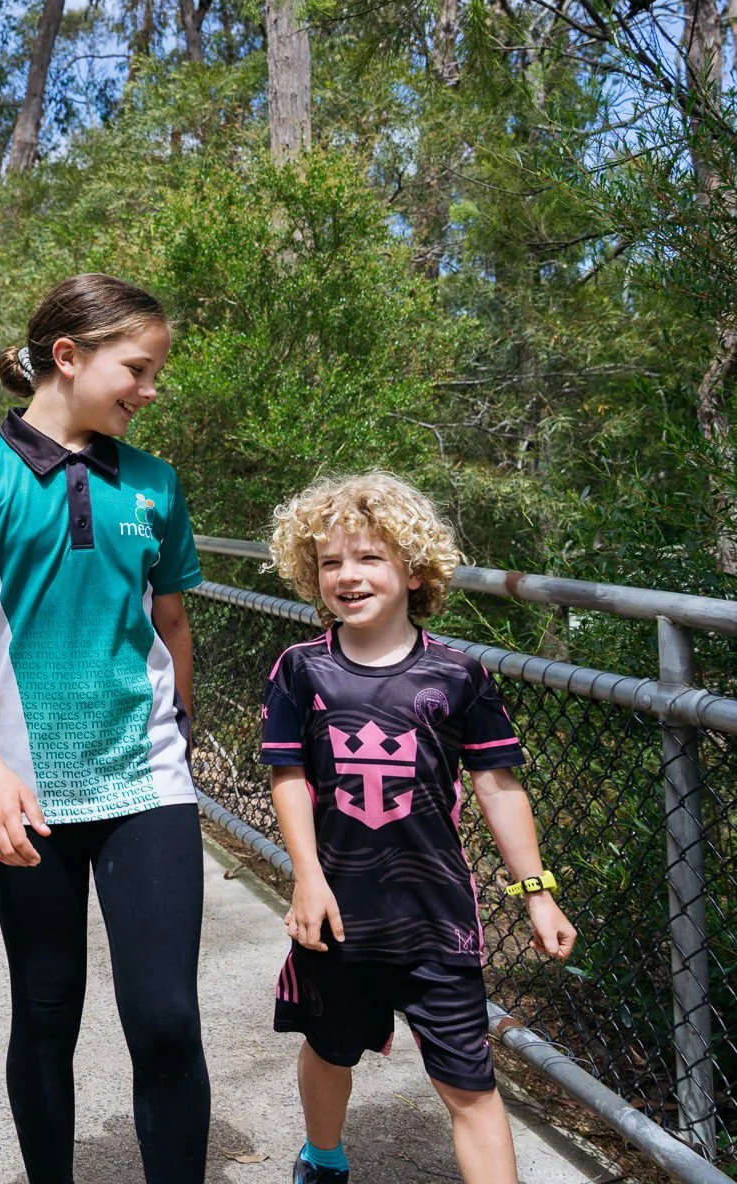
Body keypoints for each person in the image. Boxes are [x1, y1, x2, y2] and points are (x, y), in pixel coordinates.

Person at [0, 273, 212, 1184]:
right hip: (26, 790)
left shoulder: (156, 483)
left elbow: (173, 624)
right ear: (68, 358)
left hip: (147, 782)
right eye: (138, 369)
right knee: (46, 1012)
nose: (150, 390)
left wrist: (178, 734)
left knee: (165, 1018)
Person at [261, 472, 579, 1184]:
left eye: (369, 557)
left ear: (412, 567)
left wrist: (537, 890)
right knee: (330, 1048)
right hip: (335, 913)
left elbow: (498, 785)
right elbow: (289, 778)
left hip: (438, 920)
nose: (348, 576)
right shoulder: (300, 671)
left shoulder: (459, 675)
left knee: (472, 1087)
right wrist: (306, 881)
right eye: (330, 562)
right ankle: (324, 1157)